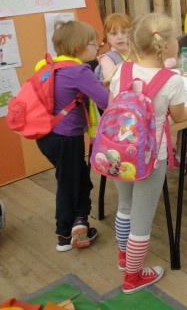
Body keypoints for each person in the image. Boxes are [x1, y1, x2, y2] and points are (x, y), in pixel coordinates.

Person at [109, 13, 187, 293]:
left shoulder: (122, 70)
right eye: (175, 37)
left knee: (125, 207)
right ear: (165, 46)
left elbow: (113, 107)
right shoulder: (171, 81)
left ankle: (124, 257)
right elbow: (180, 116)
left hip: (119, 153)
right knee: (142, 219)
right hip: (151, 158)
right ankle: (133, 277)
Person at [35, 20, 109, 252]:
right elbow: (106, 101)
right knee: (69, 183)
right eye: (93, 44)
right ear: (79, 46)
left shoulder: (48, 66)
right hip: (67, 137)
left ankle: (80, 222)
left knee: (78, 178)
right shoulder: (79, 70)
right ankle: (64, 235)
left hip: (45, 136)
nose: (96, 48)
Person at [95, 13, 132, 82]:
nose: (120, 37)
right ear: (107, 37)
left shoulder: (140, 54)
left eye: (124, 32)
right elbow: (113, 82)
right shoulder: (106, 59)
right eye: (114, 33)